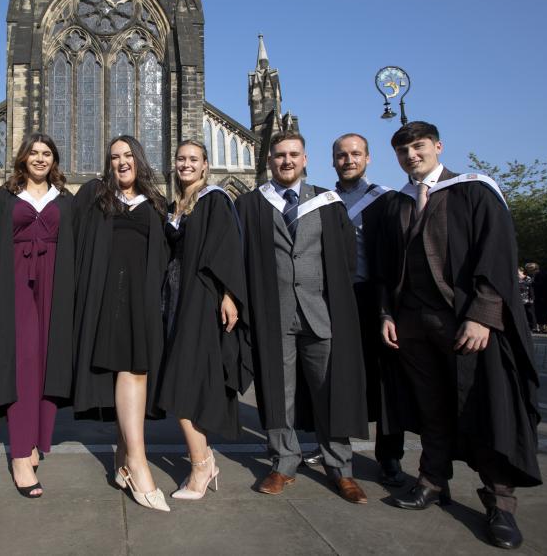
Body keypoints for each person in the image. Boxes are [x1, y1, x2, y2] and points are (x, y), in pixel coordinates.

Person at [378, 121, 541, 550]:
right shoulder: (398, 203)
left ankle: (499, 502)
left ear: (437, 146)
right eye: (403, 150)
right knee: (430, 405)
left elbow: (498, 253)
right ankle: (432, 479)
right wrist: (387, 313)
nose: (412, 156)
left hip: (463, 320)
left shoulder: (474, 190)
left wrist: (483, 316)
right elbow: (385, 266)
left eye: (418, 147)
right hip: (412, 322)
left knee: (482, 405)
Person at [235, 130, 369, 504]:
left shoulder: (328, 203)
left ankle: (341, 469)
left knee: (330, 392)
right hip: (274, 313)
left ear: (305, 159)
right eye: (279, 155)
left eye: (294, 154)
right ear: (269, 161)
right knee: (280, 393)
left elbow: (345, 261)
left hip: (320, 314)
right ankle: (284, 463)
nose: (287, 161)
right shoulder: (251, 205)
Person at [0, 133, 75, 498]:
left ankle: (40, 439)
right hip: (14, 288)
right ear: (23, 159)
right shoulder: (2, 198)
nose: (40, 159)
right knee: (22, 365)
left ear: (54, 160)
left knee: (47, 365)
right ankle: (21, 456)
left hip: (55, 286)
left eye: (46, 154)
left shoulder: (65, 200)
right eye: (34, 153)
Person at [73, 135, 170, 512]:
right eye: (114, 157)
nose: (121, 162)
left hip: (142, 302)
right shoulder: (98, 199)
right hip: (107, 302)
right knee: (129, 374)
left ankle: (121, 458)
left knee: (134, 374)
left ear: (139, 159)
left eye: (127, 155)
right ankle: (138, 465)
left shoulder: (156, 203)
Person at [157, 140, 249, 500]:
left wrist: (228, 295)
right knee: (184, 381)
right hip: (174, 301)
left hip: (201, 299)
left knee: (181, 383)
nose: (186, 164)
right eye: (181, 158)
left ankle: (202, 465)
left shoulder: (214, 200)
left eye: (193, 159)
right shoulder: (175, 205)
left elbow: (227, 248)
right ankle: (203, 460)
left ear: (206, 165)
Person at [331, 132, 415, 488]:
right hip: (336, 299)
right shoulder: (325, 200)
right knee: (338, 377)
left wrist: (391, 308)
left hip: (375, 298)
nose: (348, 160)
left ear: (367, 158)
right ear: (333, 160)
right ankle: (336, 448)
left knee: (385, 381)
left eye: (355, 154)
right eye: (341, 155)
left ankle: (389, 456)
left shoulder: (388, 201)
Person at [532, 262, 547, 334]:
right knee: (541, 313)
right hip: (541, 296)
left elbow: (541, 285)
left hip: (542, 296)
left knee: (544, 313)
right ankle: (543, 328)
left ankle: (545, 328)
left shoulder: (540, 274)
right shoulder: (539, 274)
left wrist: (532, 283)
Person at [518, 267, 537, 333]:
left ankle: (533, 327)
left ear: (522, 271)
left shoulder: (528, 278)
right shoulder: (516, 279)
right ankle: (524, 327)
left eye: (517, 271)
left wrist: (532, 297)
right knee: (522, 314)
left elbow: (531, 287)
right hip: (519, 299)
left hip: (528, 298)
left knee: (530, 313)